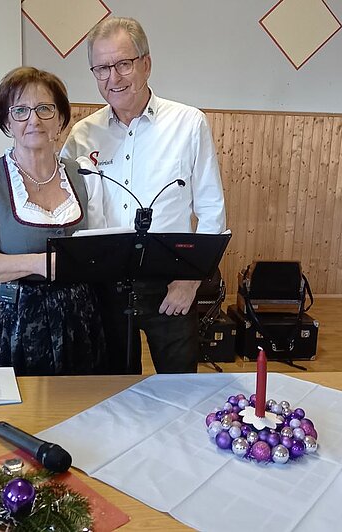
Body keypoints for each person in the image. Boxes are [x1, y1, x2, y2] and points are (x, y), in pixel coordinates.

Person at [62, 17, 226, 375]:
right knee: (112, 390)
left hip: (171, 284)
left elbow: (212, 211)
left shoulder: (188, 123)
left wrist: (190, 281)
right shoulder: (82, 135)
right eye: (102, 68)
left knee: (180, 389)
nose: (113, 78)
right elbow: (66, 209)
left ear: (146, 64)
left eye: (123, 64)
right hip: (104, 284)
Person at [0, 67, 106, 376]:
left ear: (60, 120)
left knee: (79, 400)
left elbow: (100, 246)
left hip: (78, 318)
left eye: (45, 109)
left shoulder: (86, 176)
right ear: (7, 123)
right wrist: (39, 263)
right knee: (14, 402)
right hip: (10, 321)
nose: (33, 119)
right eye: (20, 110)